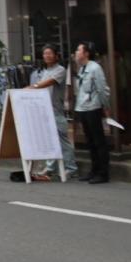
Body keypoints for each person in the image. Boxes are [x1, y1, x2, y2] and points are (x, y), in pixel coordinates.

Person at [26, 45, 77, 180]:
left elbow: (47, 83)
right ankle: (51, 168)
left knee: (62, 140)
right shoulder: (44, 71)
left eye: (49, 53)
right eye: (45, 54)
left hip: (55, 110)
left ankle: (71, 168)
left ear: (56, 56)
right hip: (45, 110)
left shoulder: (60, 70)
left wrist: (31, 87)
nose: (47, 56)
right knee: (49, 140)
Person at [72, 42, 110, 184]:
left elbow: (102, 89)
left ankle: (103, 173)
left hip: (93, 107)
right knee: (90, 142)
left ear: (86, 53)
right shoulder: (82, 69)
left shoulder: (95, 68)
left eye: (78, 50)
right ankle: (94, 170)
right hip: (83, 108)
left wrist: (106, 107)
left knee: (98, 141)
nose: (76, 52)